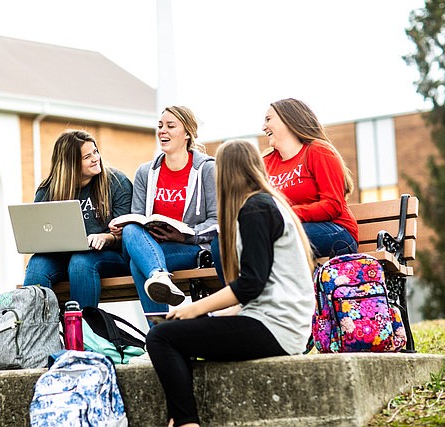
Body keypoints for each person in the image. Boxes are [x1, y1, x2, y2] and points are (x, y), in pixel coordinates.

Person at [146, 139, 316, 427]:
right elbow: (258, 289)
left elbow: (251, 284)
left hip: (276, 328)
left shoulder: (256, 209)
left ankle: (187, 423)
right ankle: (181, 417)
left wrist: (194, 309)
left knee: (161, 338)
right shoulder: (267, 203)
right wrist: (210, 315)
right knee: (176, 334)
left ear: (226, 173)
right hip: (281, 325)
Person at [109, 106, 217, 314]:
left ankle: (158, 333)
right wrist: (122, 226)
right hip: (153, 247)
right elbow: (137, 217)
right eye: (160, 126)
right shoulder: (145, 172)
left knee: (138, 265)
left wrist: (186, 235)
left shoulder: (206, 169)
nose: (162, 131)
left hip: (192, 247)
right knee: (132, 230)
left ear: (187, 133)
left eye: (170, 126)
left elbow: (217, 220)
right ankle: (159, 276)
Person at [23, 130, 132, 308]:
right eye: (87, 156)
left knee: (80, 261)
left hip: (108, 256)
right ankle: (36, 333)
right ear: (70, 164)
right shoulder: (48, 190)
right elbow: (40, 234)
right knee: (37, 265)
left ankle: (83, 331)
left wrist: (105, 238)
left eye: (95, 152)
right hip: (61, 257)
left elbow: (127, 234)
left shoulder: (116, 182)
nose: (95, 158)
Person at [262, 98, 358, 258]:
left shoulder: (318, 151)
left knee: (277, 238)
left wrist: (289, 214)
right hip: (285, 229)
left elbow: (333, 205)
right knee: (227, 245)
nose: (263, 127)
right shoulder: (266, 163)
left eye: (268, 119)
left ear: (288, 119)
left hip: (336, 231)